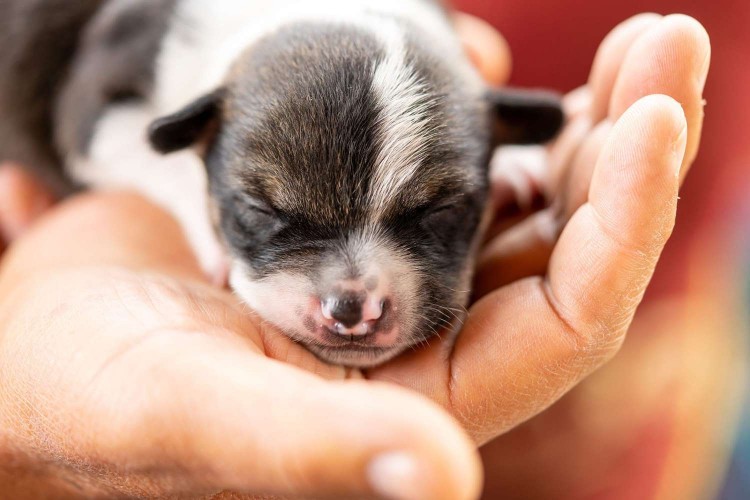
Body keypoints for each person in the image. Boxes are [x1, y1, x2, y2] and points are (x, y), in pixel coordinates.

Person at [0, 11, 709, 499]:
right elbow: (101, 129)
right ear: (201, 130)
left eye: (435, 213)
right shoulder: (164, 49)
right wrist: (193, 214)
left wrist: (483, 160)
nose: (354, 304)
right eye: (272, 216)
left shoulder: (448, 67)